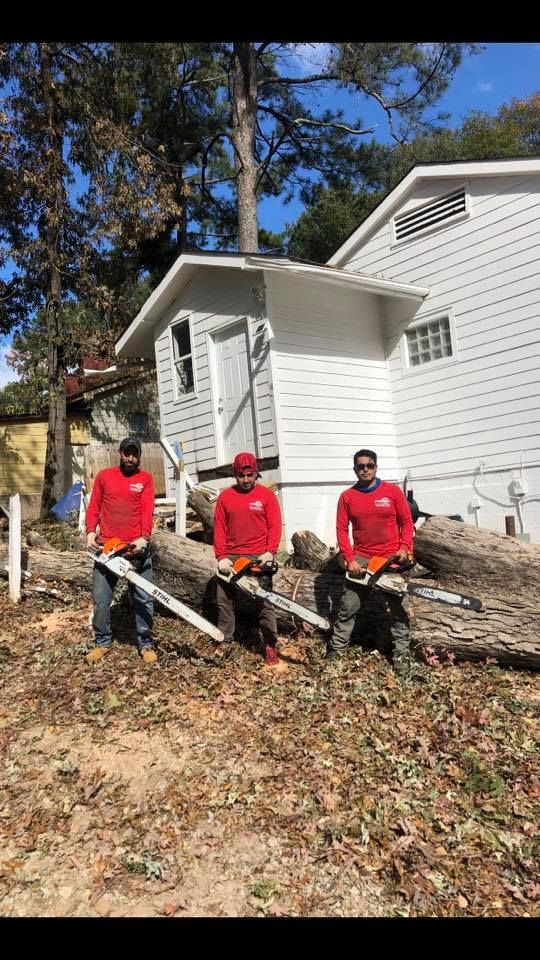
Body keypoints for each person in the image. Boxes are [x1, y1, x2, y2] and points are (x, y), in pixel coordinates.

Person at [327, 449, 416, 675]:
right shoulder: (347, 496)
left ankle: (402, 658)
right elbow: (341, 529)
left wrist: (405, 548)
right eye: (360, 466)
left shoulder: (392, 492)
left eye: (369, 465)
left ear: (376, 467)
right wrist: (349, 559)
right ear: (355, 469)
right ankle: (336, 654)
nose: (365, 469)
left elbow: (407, 522)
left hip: (391, 559)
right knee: (347, 608)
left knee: (399, 611)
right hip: (362, 559)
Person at [85, 437, 157, 665]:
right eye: (127, 453)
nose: (131, 458)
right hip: (108, 549)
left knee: (143, 599)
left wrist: (144, 538)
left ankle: (145, 644)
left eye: (135, 454)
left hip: (135, 549)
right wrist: (89, 532)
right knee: (101, 599)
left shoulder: (145, 479)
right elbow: (94, 505)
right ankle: (103, 642)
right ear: (120, 453)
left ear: (139, 456)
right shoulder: (105, 476)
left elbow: (147, 509)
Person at [213, 451, 282, 666]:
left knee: (265, 600)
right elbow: (219, 529)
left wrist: (270, 551)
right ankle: (225, 638)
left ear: (256, 474)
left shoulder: (266, 496)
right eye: (241, 476)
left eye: (250, 475)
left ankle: (270, 644)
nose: (245, 480)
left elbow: (275, 525)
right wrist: (221, 556)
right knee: (224, 598)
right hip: (232, 555)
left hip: (259, 555)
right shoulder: (225, 496)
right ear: (235, 475)